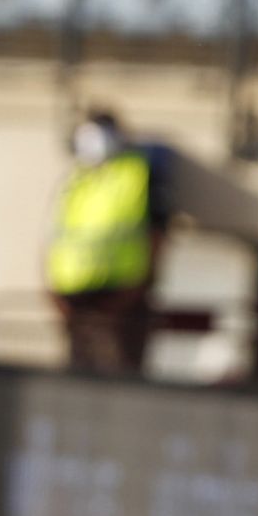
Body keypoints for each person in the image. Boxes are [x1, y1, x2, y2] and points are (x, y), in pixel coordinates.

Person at [46, 110, 171, 375]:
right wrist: (55, 295)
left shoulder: (137, 174)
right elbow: (57, 239)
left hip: (123, 301)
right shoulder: (76, 180)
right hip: (76, 303)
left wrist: (136, 290)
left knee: (121, 373)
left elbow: (156, 237)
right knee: (78, 375)